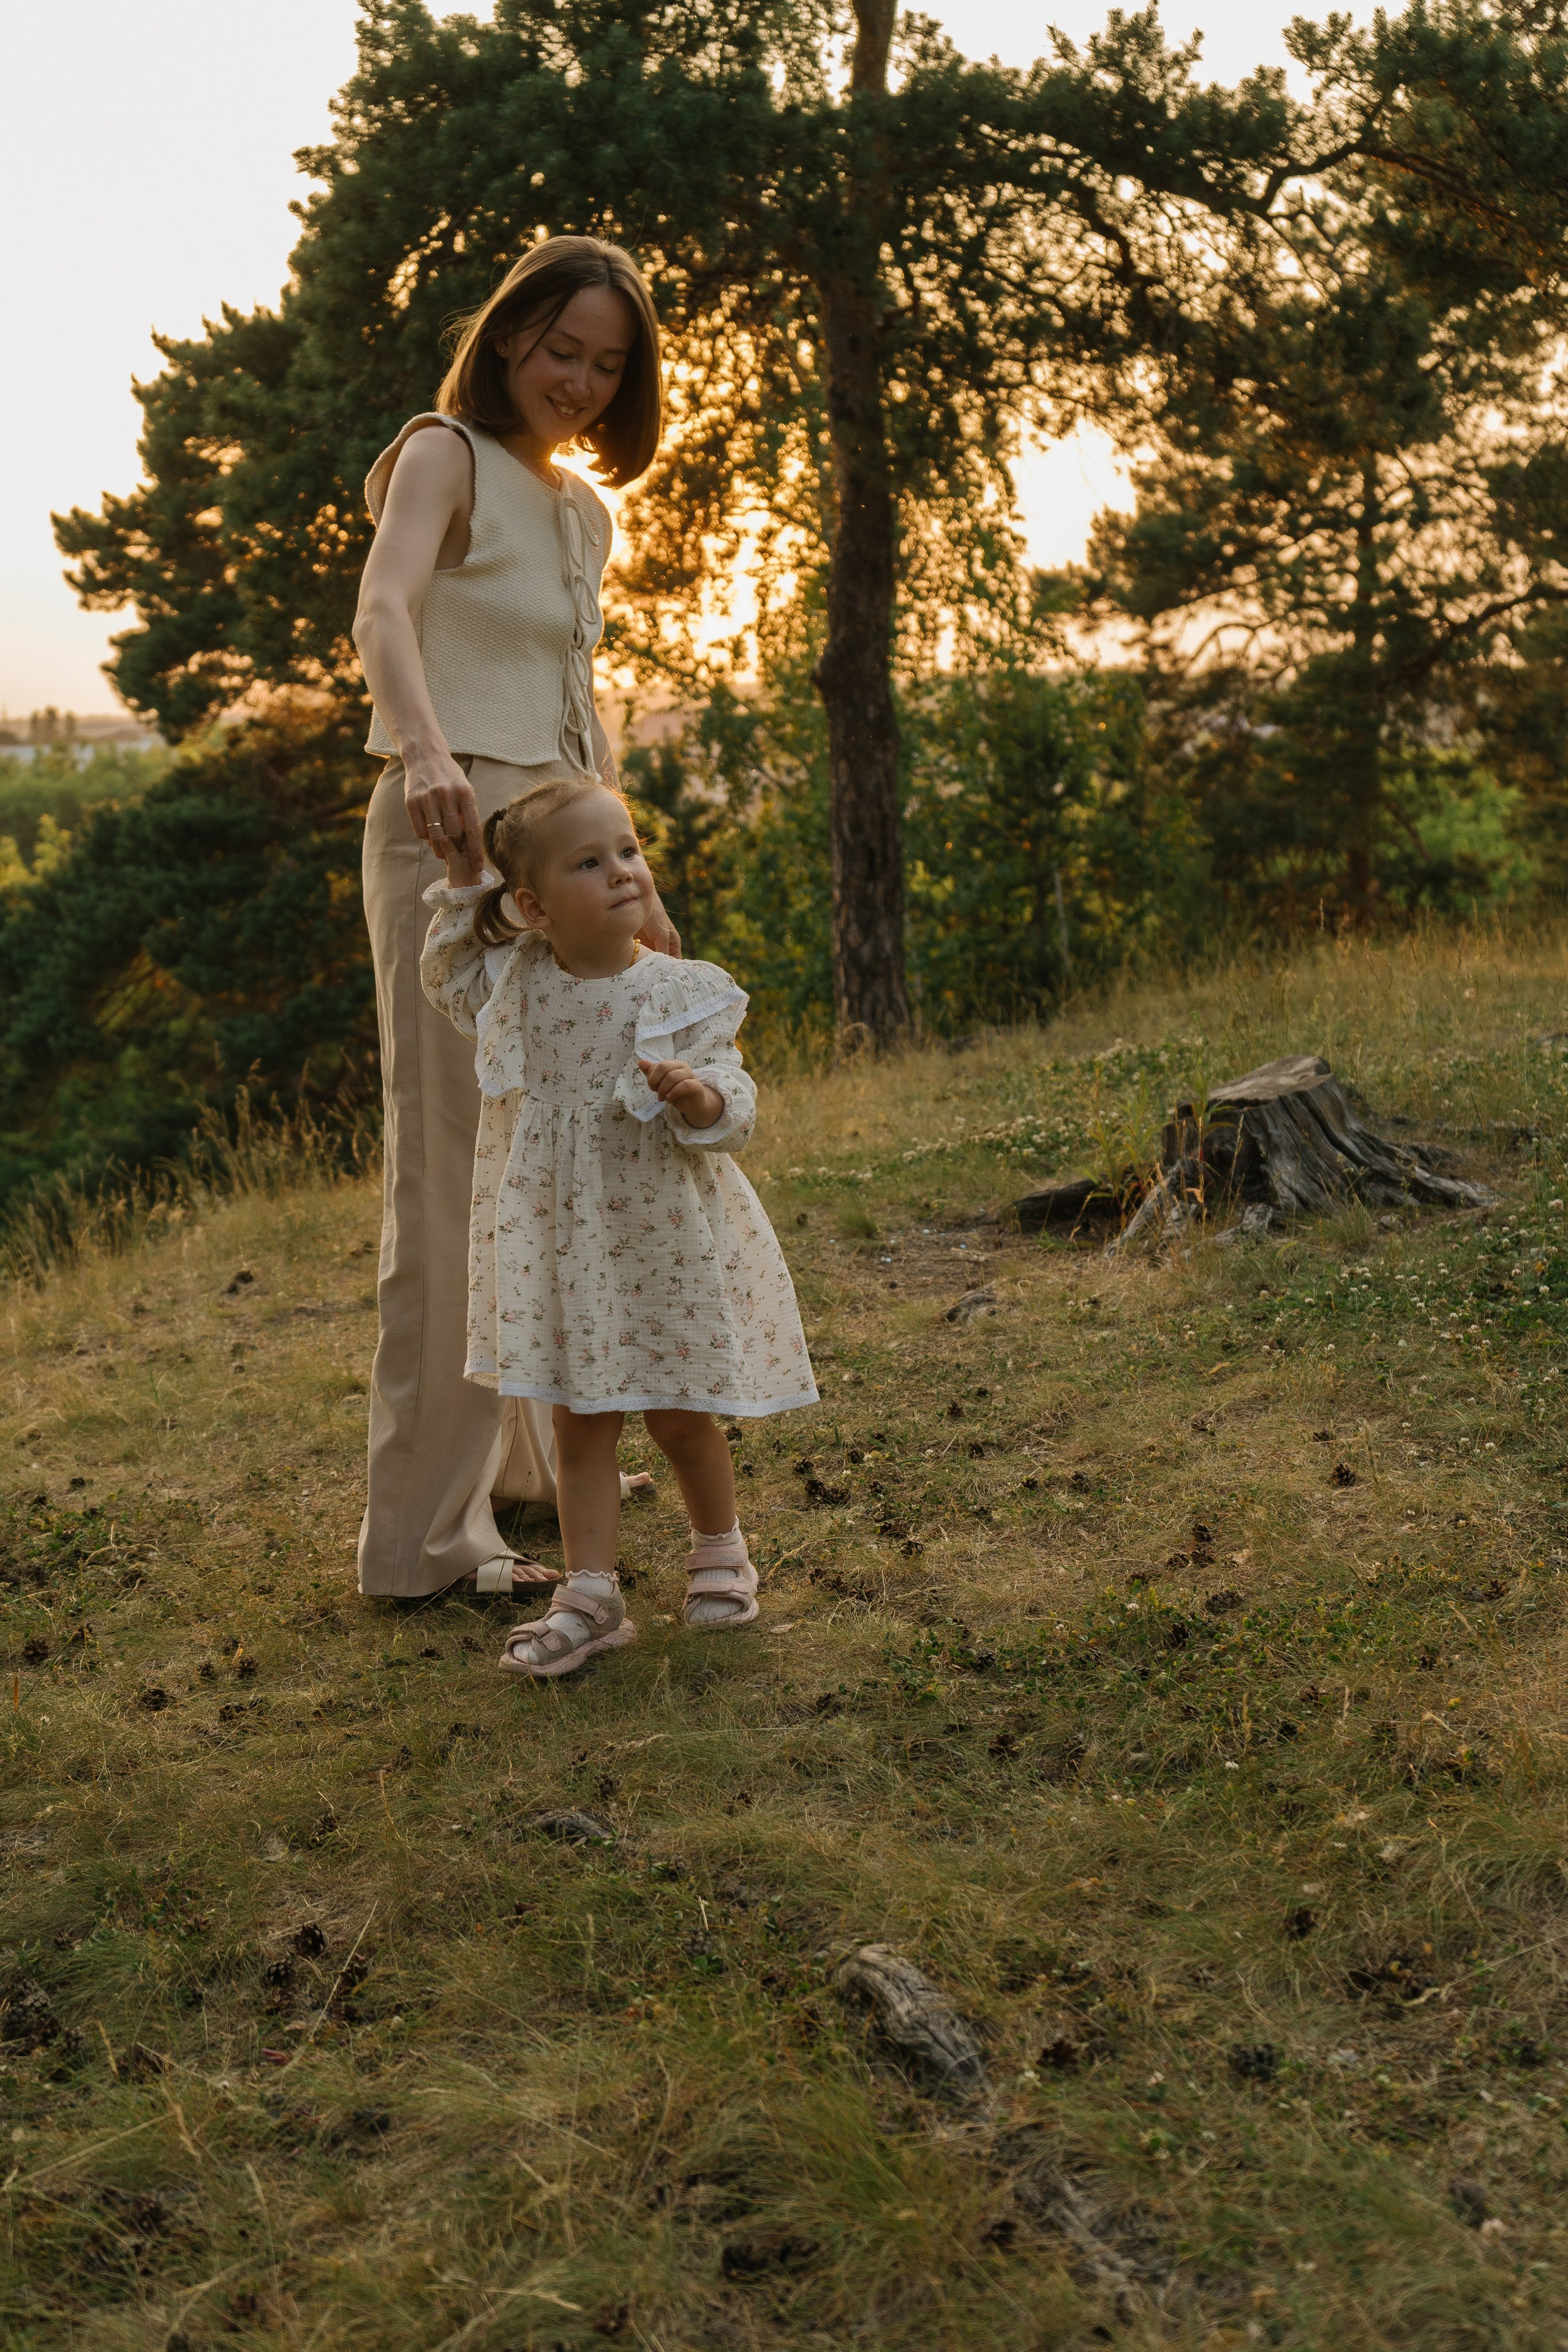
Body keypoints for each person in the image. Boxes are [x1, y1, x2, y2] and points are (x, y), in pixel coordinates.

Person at [352, 236, 679, 1602]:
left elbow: (573, 706)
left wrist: (630, 878)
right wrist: (425, 753)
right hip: (449, 825)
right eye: (561, 351)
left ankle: (532, 1471)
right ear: (505, 341)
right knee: (452, 1164)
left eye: (608, 364)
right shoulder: (441, 450)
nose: (581, 382)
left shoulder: (583, 509)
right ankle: (423, 1537)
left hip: (559, 829)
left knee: (557, 1150)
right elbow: (384, 608)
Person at [420, 774, 817, 1676]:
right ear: (534, 907)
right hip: (569, 1248)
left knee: (681, 1417)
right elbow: (447, 975)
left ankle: (721, 1552)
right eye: (590, 863)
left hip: (663, 1241)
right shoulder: (518, 983)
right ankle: (590, 1595)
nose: (624, 873)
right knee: (580, 1422)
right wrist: (460, 877)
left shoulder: (678, 989)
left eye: (629, 852)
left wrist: (703, 1097)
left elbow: (739, 1106)